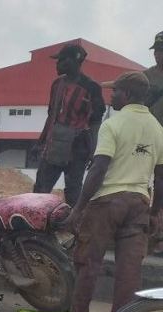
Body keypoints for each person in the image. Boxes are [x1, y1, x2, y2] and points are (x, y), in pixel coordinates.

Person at [62, 71, 163, 312]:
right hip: (138, 206)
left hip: (106, 204)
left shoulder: (113, 125)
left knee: (88, 265)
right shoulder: (158, 129)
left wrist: (78, 208)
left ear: (128, 94)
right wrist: (158, 212)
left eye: (115, 92)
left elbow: (99, 167)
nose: (111, 97)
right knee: (129, 274)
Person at [33, 44, 105, 207]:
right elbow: (51, 116)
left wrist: (93, 152)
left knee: (73, 192)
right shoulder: (57, 85)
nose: (57, 65)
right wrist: (40, 143)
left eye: (61, 61)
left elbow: (95, 122)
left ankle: (73, 229)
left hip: (77, 150)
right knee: (40, 191)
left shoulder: (91, 88)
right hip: (53, 148)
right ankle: (37, 228)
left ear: (74, 61)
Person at [144, 30, 163, 259]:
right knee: (142, 187)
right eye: (156, 51)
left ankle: (160, 238)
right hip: (147, 142)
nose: (157, 55)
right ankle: (141, 233)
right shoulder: (145, 77)